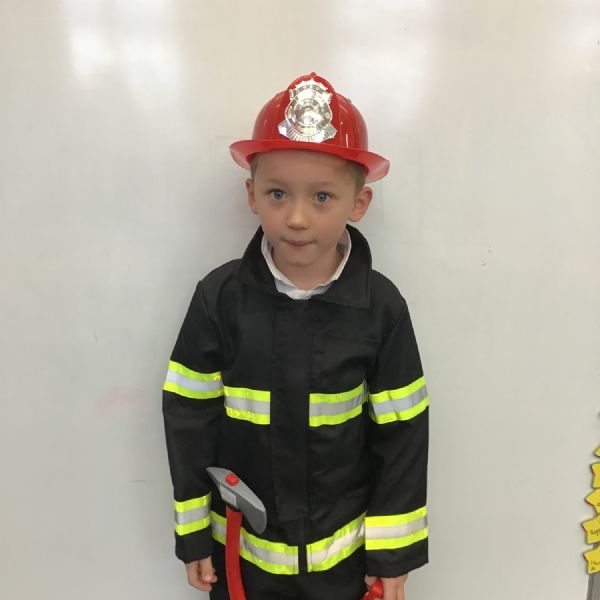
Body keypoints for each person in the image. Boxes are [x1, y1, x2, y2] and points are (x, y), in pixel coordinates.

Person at [162, 72, 429, 600]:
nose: (298, 217)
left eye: (323, 196)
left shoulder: (381, 308)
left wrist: (392, 557)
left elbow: (403, 437)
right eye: (277, 193)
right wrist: (193, 536)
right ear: (252, 194)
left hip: (344, 569)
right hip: (241, 563)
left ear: (359, 203)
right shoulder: (219, 299)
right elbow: (188, 421)